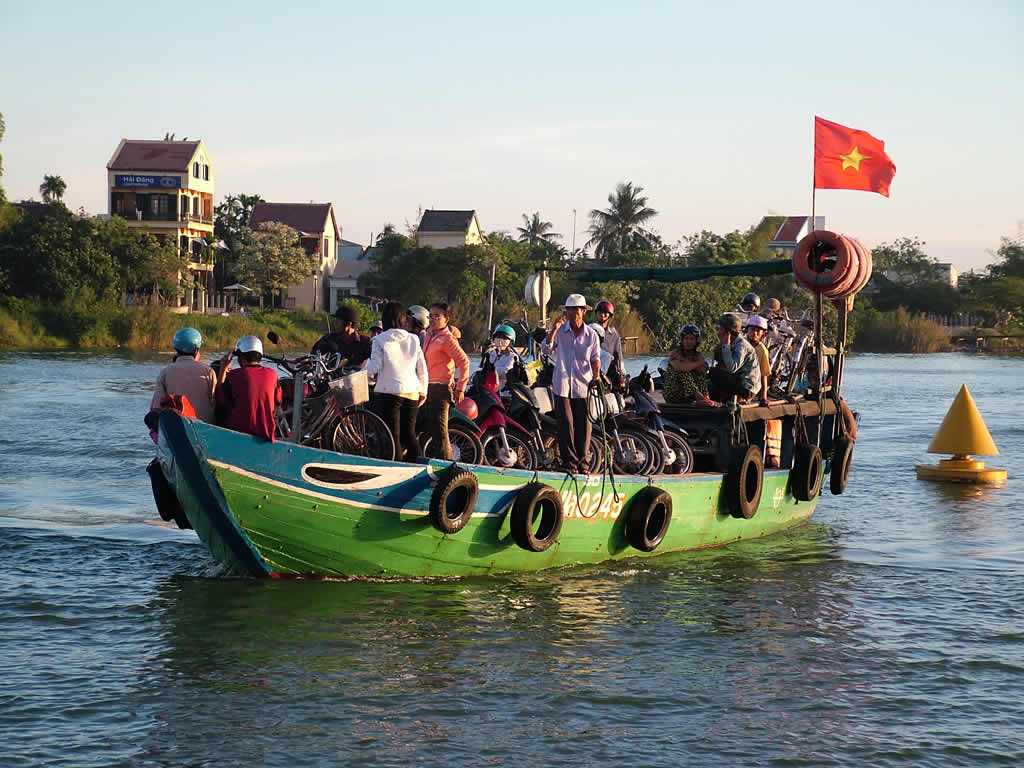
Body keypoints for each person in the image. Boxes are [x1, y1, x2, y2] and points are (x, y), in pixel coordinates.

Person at [545, 294, 602, 473]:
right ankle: (569, 463)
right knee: (566, 425)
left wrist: (596, 375)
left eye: (575, 310)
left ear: (583, 312)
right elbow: (546, 349)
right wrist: (553, 330)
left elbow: (595, 358)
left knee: (584, 426)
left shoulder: (591, 335)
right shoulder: (561, 331)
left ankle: (583, 464)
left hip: (583, 386)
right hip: (562, 386)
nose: (571, 313)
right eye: (569, 310)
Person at [366, 301, 428, 462]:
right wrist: (423, 391)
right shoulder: (414, 339)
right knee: (410, 434)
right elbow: (422, 368)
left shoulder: (379, 340)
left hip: (390, 392)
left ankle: (397, 467)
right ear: (403, 319)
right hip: (412, 391)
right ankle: (421, 466)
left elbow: (374, 367)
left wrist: (359, 376)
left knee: (393, 435)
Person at [146, 327, 217, 441]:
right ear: (196, 350)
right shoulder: (209, 371)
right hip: (205, 431)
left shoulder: (165, 372)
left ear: (176, 349)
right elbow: (214, 401)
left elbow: (156, 408)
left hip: (177, 431)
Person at [422, 302, 471, 460]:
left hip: (441, 389)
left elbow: (464, 362)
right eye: (430, 316)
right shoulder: (429, 334)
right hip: (427, 387)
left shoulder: (448, 339)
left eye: (437, 316)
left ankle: (448, 464)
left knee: (440, 431)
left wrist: (460, 388)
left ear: (446, 319)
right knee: (431, 430)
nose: (432, 319)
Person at [215, 335, 281, 442]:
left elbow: (219, 399)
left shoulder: (233, 375)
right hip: (266, 434)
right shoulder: (273, 375)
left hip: (238, 433)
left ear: (241, 357)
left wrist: (223, 369)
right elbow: (278, 400)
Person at [708, 313, 758, 402]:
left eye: (721, 329)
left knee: (714, 373)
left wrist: (726, 346)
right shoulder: (732, 342)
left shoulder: (741, 345)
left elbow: (732, 368)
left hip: (747, 388)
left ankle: (733, 400)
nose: (719, 332)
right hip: (737, 380)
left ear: (728, 332)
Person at [663, 324, 711, 404]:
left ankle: (706, 398)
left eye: (691, 339)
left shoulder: (698, 355)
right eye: (686, 338)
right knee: (682, 371)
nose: (688, 342)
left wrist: (687, 363)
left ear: (696, 341)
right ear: (682, 340)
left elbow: (702, 370)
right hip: (673, 394)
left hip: (689, 396)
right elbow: (680, 368)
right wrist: (699, 363)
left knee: (699, 374)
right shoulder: (674, 354)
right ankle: (700, 398)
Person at [593, 300, 626, 387]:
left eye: (605, 313)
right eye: (600, 312)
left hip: (608, 375)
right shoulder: (590, 330)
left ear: (610, 315)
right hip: (591, 370)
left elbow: (619, 357)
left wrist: (622, 375)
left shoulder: (614, 334)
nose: (602, 315)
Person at [484, 324, 522, 392]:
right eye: (498, 337)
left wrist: (492, 371)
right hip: (490, 389)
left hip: (505, 390)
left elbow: (506, 371)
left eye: (504, 338)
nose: (500, 340)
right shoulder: (491, 354)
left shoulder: (512, 357)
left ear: (511, 342)